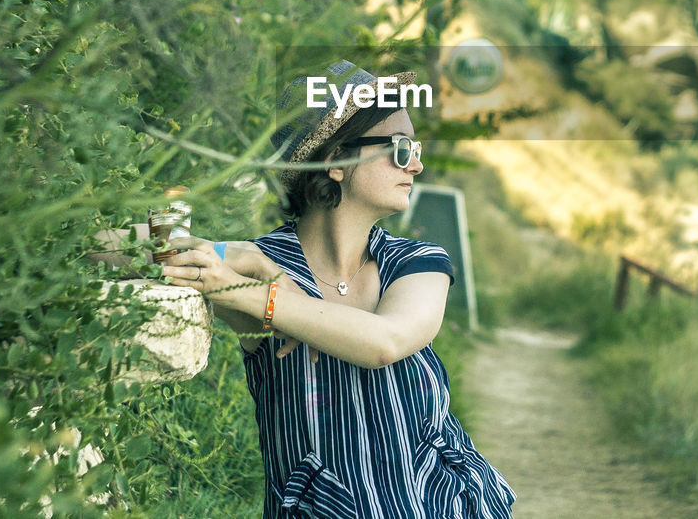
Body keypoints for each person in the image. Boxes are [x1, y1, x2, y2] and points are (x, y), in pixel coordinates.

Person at [157, 60, 515, 518]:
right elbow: (119, 249)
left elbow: (385, 342)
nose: (417, 164)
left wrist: (247, 293)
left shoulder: (416, 262)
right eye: (401, 149)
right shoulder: (255, 262)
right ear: (336, 161)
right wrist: (240, 258)